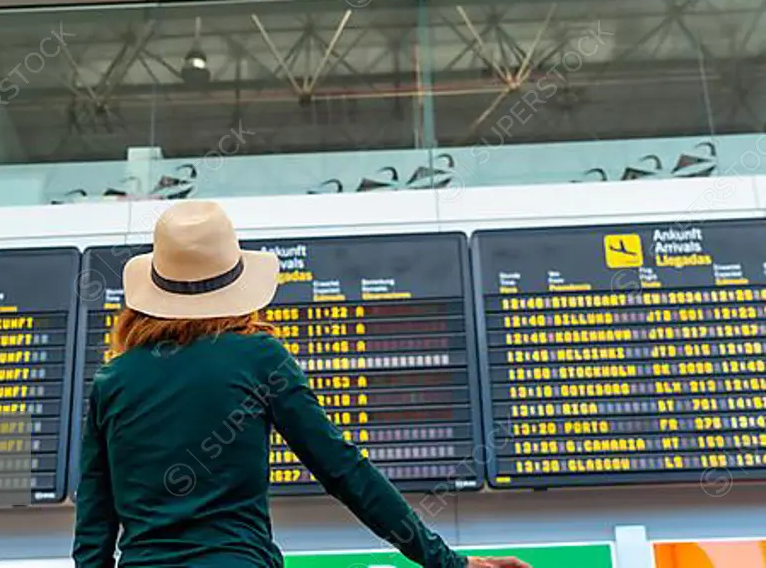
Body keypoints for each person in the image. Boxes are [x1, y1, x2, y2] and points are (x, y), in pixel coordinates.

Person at [73, 200, 530, 568]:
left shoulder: (113, 381)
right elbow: (344, 470)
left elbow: (94, 529)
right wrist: (448, 563)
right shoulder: (258, 358)